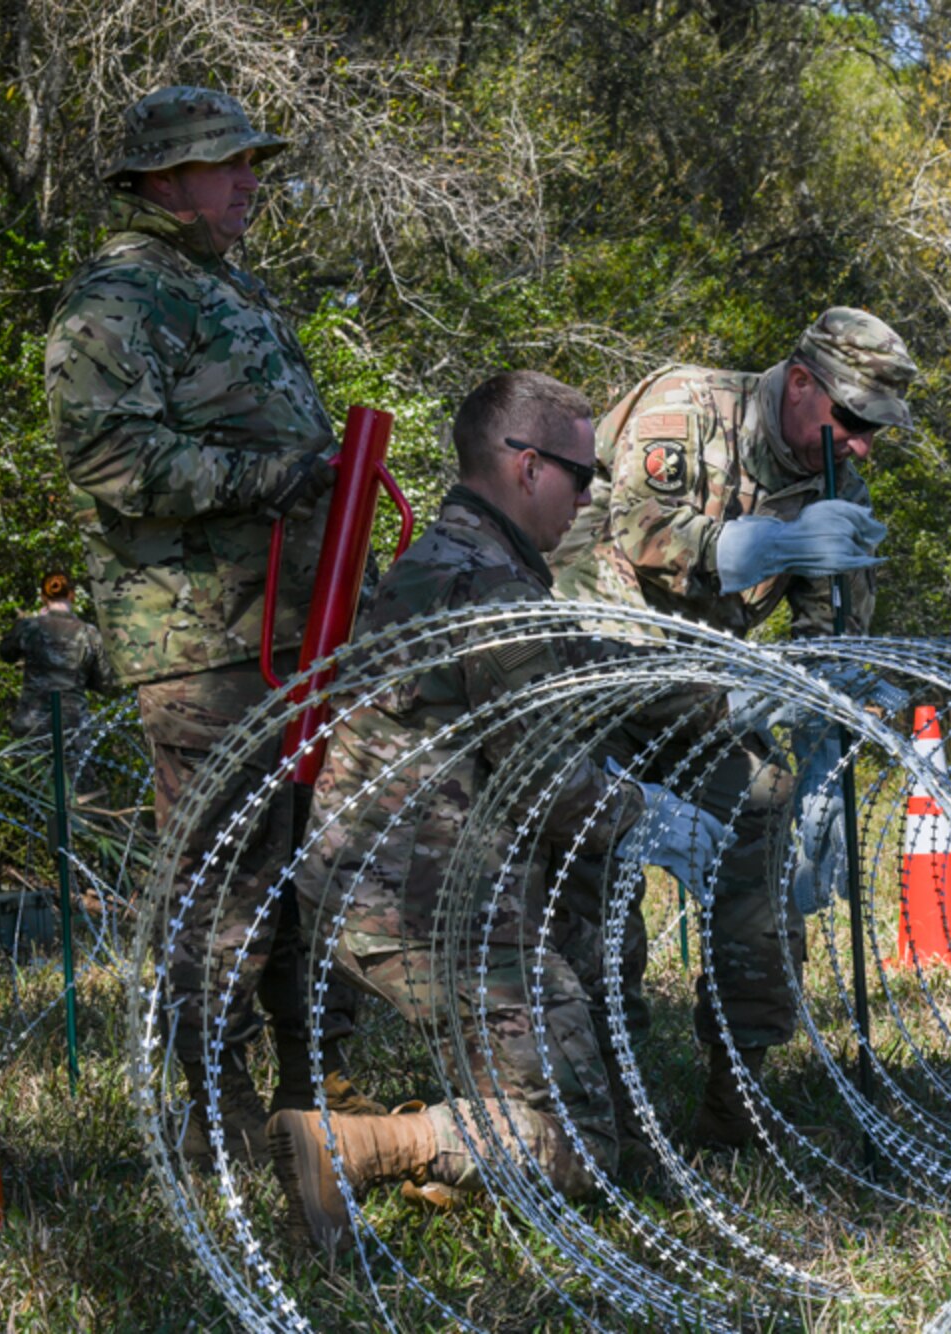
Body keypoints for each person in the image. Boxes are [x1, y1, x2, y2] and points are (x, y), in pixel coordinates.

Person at [267, 372, 726, 1251]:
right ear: (526, 467)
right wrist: (652, 816)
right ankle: (360, 1145)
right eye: (582, 476)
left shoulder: (461, 562)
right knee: (581, 1150)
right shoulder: (491, 593)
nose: (592, 496)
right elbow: (553, 792)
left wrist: (724, 690)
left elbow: (581, 660)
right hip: (429, 909)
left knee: (589, 1061)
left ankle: (509, 1116)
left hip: (396, 886)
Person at [44, 86, 378, 1165]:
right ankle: (217, 1121)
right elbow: (106, 454)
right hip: (199, 645)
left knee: (308, 869)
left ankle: (307, 1090)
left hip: (289, 627)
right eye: (225, 163)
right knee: (227, 884)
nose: (247, 184)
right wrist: (270, 475)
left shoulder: (228, 286)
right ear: (163, 179)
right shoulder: (123, 296)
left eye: (249, 164)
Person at [550, 308, 915, 1148]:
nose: (860, 445)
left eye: (876, 432)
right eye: (853, 421)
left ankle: (739, 1084)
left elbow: (833, 630)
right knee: (597, 850)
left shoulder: (836, 483)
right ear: (799, 384)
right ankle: (606, 1091)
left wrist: (834, 702)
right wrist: (777, 542)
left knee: (763, 808)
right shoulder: (689, 406)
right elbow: (641, 532)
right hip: (589, 664)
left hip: (697, 688)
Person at [0, 571, 113, 737]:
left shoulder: (29, 627)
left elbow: (6, 653)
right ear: (72, 595)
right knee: (72, 763)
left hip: (32, 723)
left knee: (31, 763)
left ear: (43, 597)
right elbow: (105, 682)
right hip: (73, 724)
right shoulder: (89, 633)